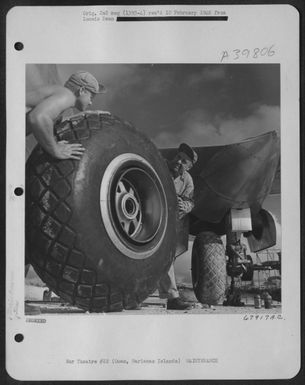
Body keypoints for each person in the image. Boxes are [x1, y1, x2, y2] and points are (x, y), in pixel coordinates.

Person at [26, 70, 106, 160]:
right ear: (82, 91)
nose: (90, 103)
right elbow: (38, 118)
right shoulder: (67, 96)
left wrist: (84, 115)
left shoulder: (59, 95)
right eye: (91, 97)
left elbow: (50, 120)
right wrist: (55, 149)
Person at [158, 143, 198, 310]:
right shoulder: (159, 164)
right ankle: (132, 297)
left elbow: (190, 201)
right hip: (148, 215)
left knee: (166, 257)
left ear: (189, 166)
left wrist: (186, 207)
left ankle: (172, 298)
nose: (179, 162)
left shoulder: (187, 180)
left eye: (184, 161)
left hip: (168, 222)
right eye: (178, 157)